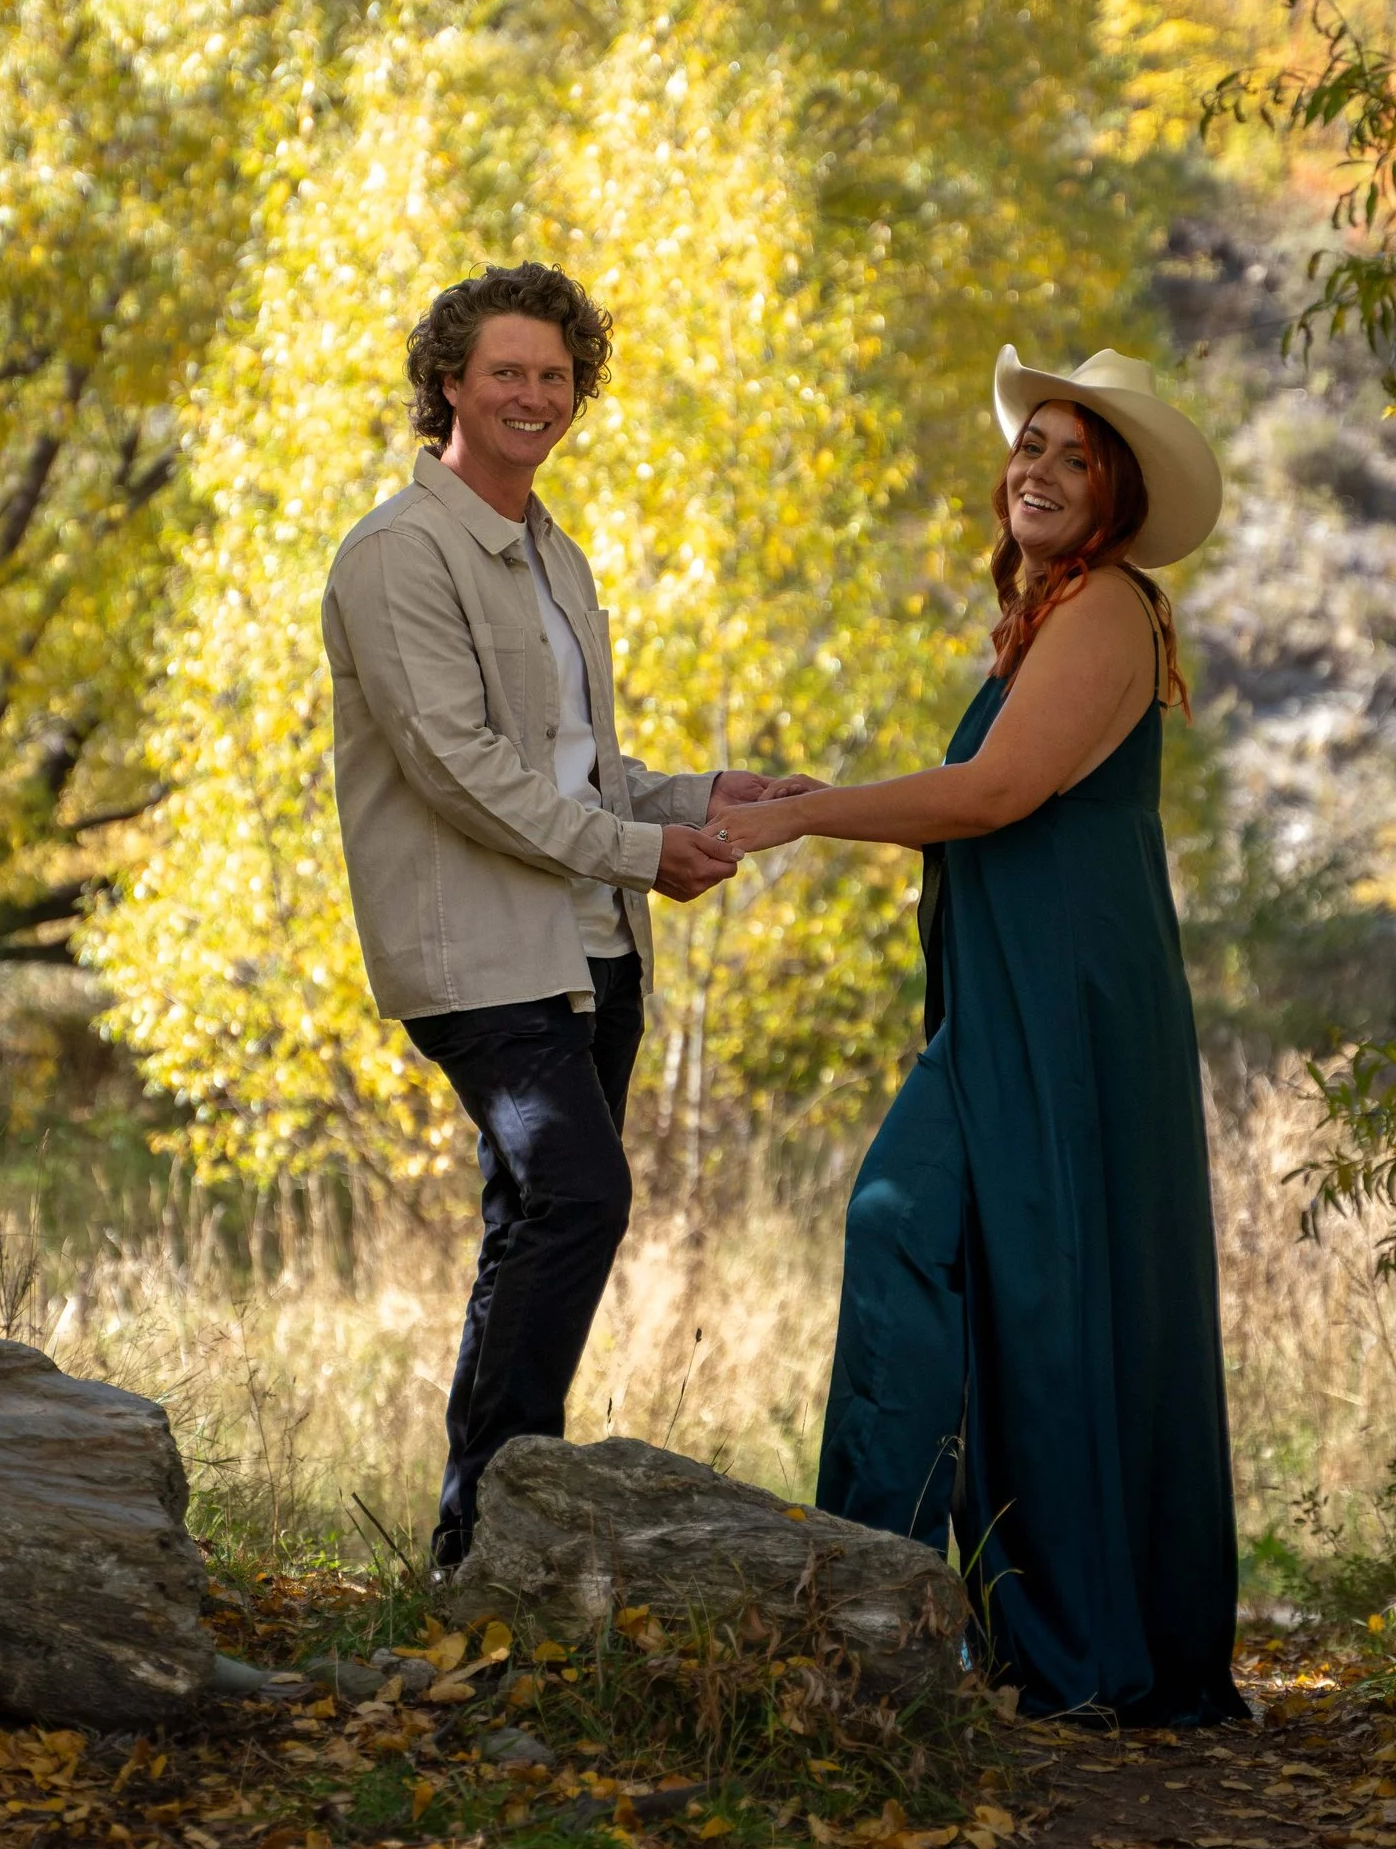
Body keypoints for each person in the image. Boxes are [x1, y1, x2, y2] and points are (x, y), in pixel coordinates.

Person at [720, 344, 1248, 1727]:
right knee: (927, 1235)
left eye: (1079, 456)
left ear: (1118, 492)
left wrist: (805, 811)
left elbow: (998, 791)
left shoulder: (1112, 607)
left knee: (1005, 1267)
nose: (1043, 469)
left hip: (1068, 999)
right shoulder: (1050, 614)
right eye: (1034, 447)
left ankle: (957, 1619)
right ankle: (879, 1600)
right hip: (1014, 993)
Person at [322, 264, 784, 1574]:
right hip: (479, 952)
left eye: (555, 373)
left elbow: (573, 767)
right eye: (506, 370)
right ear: (450, 382)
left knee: (532, 1218)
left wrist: (702, 794)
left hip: (593, 950)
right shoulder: (397, 555)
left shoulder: (554, 554)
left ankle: (474, 1543)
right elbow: (462, 771)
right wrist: (647, 850)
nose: (534, 393)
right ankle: (501, 1517)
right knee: (579, 1194)